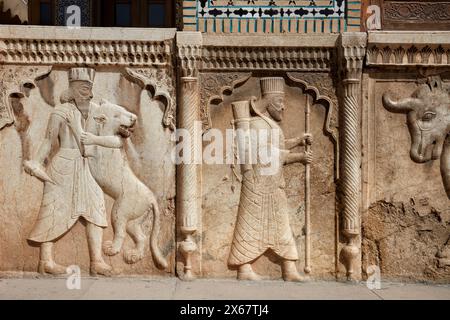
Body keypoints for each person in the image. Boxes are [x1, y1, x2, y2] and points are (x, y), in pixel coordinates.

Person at [24, 68, 112, 276]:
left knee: (96, 209)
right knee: (54, 210)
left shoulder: (97, 111)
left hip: (88, 164)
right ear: (71, 90)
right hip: (63, 164)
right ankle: (45, 261)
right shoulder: (60, 112)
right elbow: (48, 140)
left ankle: (96, 261)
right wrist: (36, 162)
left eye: (90, 89)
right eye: (83, 89)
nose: (88, 94)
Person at [229, 77, 313, 281]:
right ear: (268, 102)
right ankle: (244, 268)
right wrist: (298, 157)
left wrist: (298, 141)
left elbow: (279, 145)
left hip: (273, 184)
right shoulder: (257, 125)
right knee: (250, 224)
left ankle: (289, 269)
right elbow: (266, 154)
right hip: (258, 185)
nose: (283, 108)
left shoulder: (269, 125)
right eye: (279, 102)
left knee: (281, 224)